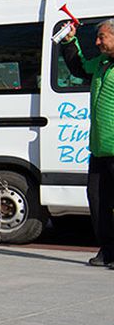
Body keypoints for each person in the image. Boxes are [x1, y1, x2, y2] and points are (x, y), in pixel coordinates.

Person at [60, 18, 114, 267]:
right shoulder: (102, 63)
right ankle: (107, 250)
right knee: (98, 199)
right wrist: (70, 41)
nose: (97, 42)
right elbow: (80, 68)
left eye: (102, 37)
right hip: (99, 148)